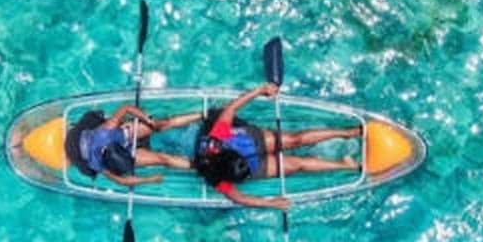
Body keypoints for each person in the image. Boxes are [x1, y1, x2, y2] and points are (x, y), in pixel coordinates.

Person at [193, 84, 361, 209]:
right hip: (255, 167)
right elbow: (241, 199)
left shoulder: (217, 136)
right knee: (298, 164)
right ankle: (344, 165)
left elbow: (231, 108)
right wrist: (273, 204)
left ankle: (347, 133)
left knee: (296, 139)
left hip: (248, 141)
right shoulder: (215, 177)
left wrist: (260, 90)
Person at [65, 105, 201, 187]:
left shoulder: (107, 131)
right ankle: (200, 166)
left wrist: (148, 120)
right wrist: (149, 179)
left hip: (118, 135)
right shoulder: (98, 164)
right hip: (97, 151)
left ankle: (203, 115)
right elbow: (123, 181)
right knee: (163, 159)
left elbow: (126, 108)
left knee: (164, 124)